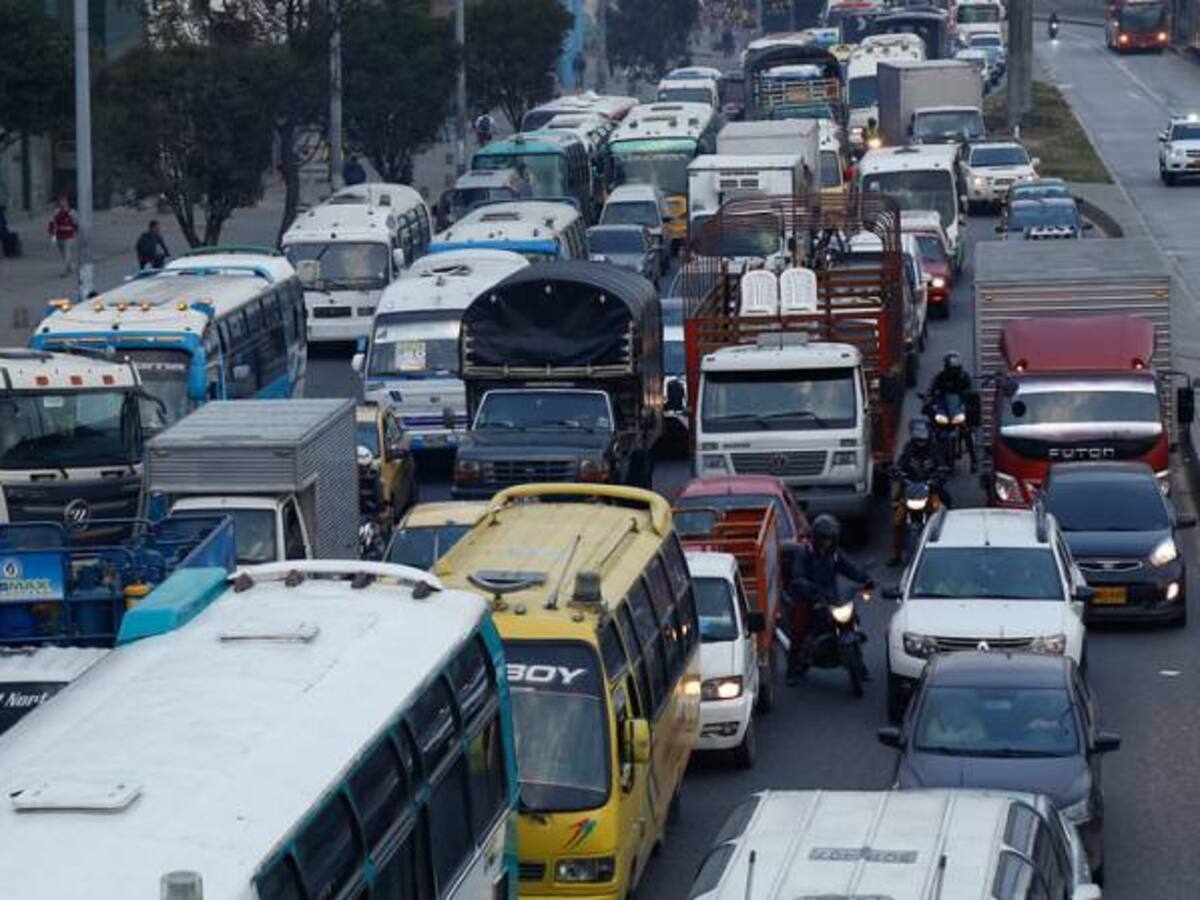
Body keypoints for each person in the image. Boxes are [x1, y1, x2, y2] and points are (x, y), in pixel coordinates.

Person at [783, 514, 873, 684]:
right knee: (799, 629)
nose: (827, 542)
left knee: (852, 622)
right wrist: (804, 585)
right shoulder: (805, 553)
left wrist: (865, 579)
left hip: (832, 599)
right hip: (809, 599)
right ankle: (792, 670)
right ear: (816, 538)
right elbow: (798, 575)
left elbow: (850, 568)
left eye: (830, 539)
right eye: (824, 539)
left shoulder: (835, 555)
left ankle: (860, 666)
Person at [889, 417, 951, 566]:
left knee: (943, 511)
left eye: (923, 440)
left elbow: (942, 465)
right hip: (910, 491)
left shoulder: (935, 450)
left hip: (930, 491)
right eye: (918, 440)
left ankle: (945, 546)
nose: (920, 443)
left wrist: (939, 476)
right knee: (897, 520)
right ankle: (895, 554)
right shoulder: (908, 449)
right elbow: (899, 464)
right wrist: (897, 473)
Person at [926, 350, 978, 473]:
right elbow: (931, 389)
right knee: (932, 429)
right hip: (944, 408)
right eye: (951, 369)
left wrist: (970, 396)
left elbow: (971, 388)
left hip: (959, 407)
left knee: (967, 431)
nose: (953, 371)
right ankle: (932, 457)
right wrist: (928, 398)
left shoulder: (965, 377)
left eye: (956, 368)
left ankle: (974, 460)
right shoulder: (940, 377)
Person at [47, 195, 78, 277]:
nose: (62, 203)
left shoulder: (72, 212)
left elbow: (76, 224)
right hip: (59, 235)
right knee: (63, 252)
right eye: (61, 202)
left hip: (69, 235)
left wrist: (76, 232)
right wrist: (51, 234)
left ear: (67, 203)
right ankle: (70, 266)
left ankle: (65, 271)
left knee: (67, 252)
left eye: (64, 201)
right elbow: (52, 223)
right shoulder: (56, 212)